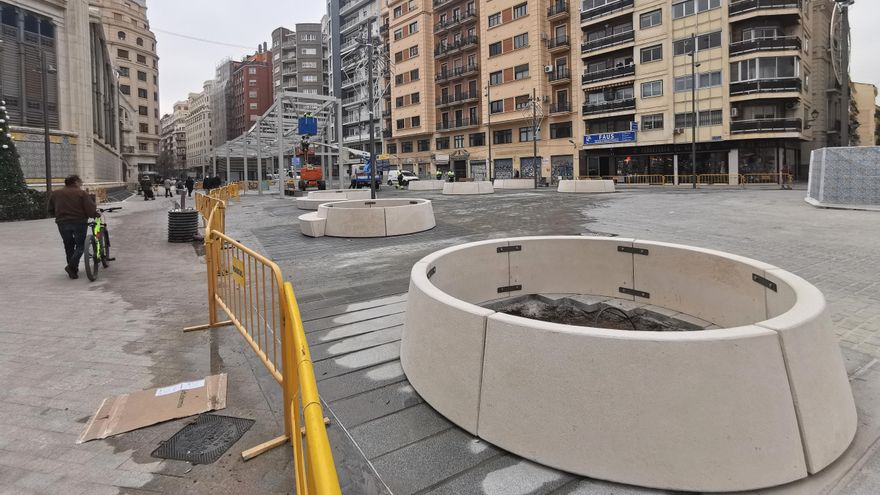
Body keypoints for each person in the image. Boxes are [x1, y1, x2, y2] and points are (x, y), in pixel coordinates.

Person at [48, 175, 98, 279]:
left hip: (62, 223)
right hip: (79, 222)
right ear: (75, 182)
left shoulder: (56, 193)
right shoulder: (81, 193)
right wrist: (94, 214)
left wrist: (59, 215)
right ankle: (71, 267)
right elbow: (89, 208)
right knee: (80, 245)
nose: (81, 184)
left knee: (68, 245)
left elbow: (50, 209)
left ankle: (73, 270)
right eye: (80, 182)